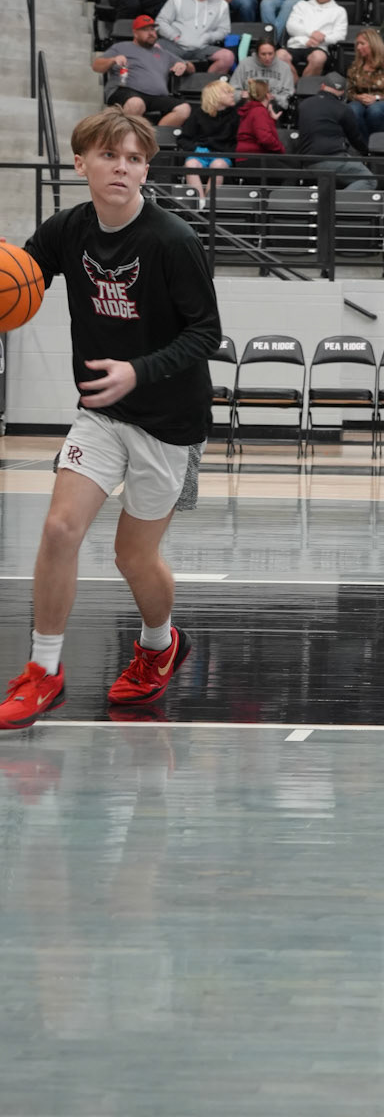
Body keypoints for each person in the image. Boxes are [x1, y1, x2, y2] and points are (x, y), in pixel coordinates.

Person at [0, 108, 220, 729]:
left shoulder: (172, 240)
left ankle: (159, 645)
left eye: (134, 159)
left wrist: (138, 370)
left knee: (132, 558)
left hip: (169, 420)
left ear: (146, 169)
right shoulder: (68, 229)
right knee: (59, 530)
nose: (122, 168)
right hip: (99, 412)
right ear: (81, 164)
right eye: (109, 156)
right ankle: (44, 671)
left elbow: (207, 333)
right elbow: (22, 277)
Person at [92, 15, 192, 127]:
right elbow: (96, 66)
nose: (151, 33)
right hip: (126, 91)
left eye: (152, 29)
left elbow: (192, 68)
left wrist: (184, 65)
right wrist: (113, 60)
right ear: (135, 33)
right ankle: (127, 135)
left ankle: (155, 137)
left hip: (157, 96)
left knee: (184, 108)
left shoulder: (163, 53)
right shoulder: (121, 47)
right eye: (145, 30)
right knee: (136, 103)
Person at [295, 72, 376, 188]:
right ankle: (338, 200)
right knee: (369, 181)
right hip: (331, 159)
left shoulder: (304, 104)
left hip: (306, 161)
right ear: (342, 92)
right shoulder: (343, 108)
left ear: (322, 86)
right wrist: (366, 152)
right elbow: (355, 138)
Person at [157, 0, 235, 77]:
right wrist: (175, 36)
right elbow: (161, 21)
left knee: (227, 56)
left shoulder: (221, 4)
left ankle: (207, 85)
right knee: (153, 48)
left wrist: (208, 37)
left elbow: (224, 30)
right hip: (175, 45)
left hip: (202, 47)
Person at [345, 29, 384, 148]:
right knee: (352, 110)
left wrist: (376, 98)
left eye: (362, 43)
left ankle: (375, 145)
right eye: (357, 44)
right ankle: (366, 146)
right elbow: (349, 92)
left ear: (373, 44)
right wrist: (358, 97)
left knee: (375, 110)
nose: (358, 47)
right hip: (361, 102)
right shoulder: (355, 67)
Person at [181, 79, 240, 200]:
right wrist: (196, 149)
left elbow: (237, 141)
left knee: (217, 165)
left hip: (222, 155)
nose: (232, 95)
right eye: (227, 92)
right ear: (216, 96)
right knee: (190, 164)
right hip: (200, 154)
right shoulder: (198, 114)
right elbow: (183, 139)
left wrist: (226, 152)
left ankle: (210, 203)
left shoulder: (235, 115)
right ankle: (200, 202)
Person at [284, 0, 349, 77]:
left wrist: (323, 39)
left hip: (320, 47)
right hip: (296, 45)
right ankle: (294, 84)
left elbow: (340, 35)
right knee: (279, 55)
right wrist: (311, 34)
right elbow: (291, 26)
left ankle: (305, 85)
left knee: (318, 58)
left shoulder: (339, 11)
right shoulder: (301, 5)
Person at [229, 35, 295, 113]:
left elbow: (288, 94)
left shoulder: (284, 67)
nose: (267, 58)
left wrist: (273, 97)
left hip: (274, 107)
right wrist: (242, 94)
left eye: (270, 54)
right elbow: (232, 90)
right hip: (248, 107)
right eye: (263, 54)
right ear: (257, 53)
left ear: (275, 53)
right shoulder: (245, 64)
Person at [235, 77, 286, 163]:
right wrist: (281, 150)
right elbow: (265, 138)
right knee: (293, 169)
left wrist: (272, 120)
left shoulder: (252, 109)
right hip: (254, 157)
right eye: (269, 92)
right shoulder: (259, 111)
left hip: (247, 157)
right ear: (267, 95)